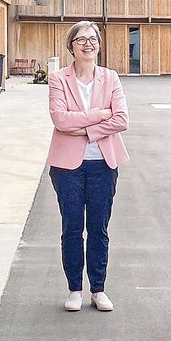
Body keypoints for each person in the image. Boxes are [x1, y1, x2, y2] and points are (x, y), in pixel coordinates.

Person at [47, 21, 130, 312]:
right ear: (71, 46)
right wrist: (100, 115)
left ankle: (98, 289)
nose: (88, 44)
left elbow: (121, 119)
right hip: (66, 167)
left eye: (93, 39)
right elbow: (60, 119)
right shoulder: (58, 78)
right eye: (81, 39)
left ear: (98, 45)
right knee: (72, 228)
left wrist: (85, 129)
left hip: (103, 164)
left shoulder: (110, 78)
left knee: (98, 228)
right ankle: (74, 290)